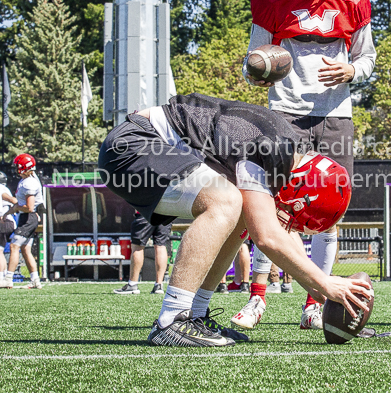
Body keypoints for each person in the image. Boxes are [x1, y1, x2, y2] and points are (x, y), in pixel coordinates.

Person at [99, 93, 372, 347]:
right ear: (303, 189)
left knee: (239, 209)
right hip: (133, 144)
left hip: (146, 145)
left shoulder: (281, 147)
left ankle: (196, 314)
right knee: (225, 199)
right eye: (292, 214)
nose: (286, 219)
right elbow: (267, 236)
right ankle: (172, 319)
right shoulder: (272, 148)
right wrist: (325, 285)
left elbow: (271, 233)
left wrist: (324, 291)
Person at [234, 0, 376, 330]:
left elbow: (367, 59)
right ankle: (258, 298)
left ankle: (314, 301)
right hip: (284, 113)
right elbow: (254, 59)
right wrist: (257, 75)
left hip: (336, 115)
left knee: (328, 213)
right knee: (275, 212)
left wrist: (351, 69)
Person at [0, 154, 45, 289]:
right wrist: (9, 212)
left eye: (18, 166)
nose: (16, 169)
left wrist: (15, 208)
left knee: (14, 246)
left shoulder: (29, 182)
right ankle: (35, 280)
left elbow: (29, 207)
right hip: (27, 217)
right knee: (25, 249)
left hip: (28, 218)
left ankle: (8, 278)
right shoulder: (27, 180)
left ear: (24, 167)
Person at [114, 211, 172, 295]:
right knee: (161, 246)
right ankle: (159, 285)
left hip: (146, 211)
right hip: (166, 213)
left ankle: (132, 284)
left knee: (137, 247)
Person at [0, 170, 17, 287]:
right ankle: (5, 276)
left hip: (3, 221)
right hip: (10, 221)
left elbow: (13, 201)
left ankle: (0, 278)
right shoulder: (5, 188)